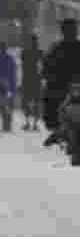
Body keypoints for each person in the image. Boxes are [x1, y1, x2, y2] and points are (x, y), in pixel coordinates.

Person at [42, 18, 80, 146]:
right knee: (50, 100)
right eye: (67, 29)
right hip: (61, 89)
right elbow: (46, 67)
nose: (71, 32)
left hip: (77, 89)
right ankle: (57, 130)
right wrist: (49, 76)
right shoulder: (55, 48)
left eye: (73, 29)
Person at [20, 32, 43, 131]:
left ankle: (28, 123)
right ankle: (34, 124)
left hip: (27, 79)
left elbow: (23, 66)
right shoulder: (39, 52)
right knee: (36, 102)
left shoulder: (25, 52)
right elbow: (42, 66)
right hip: (36, 79)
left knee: (27, 101)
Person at [0, 41, 17, 132]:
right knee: (7, 105)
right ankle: (7, 125)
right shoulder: (9, 58)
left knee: (1, 104)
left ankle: (4, 125)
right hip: (7, 83)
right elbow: (13, 71)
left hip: (0, 83)